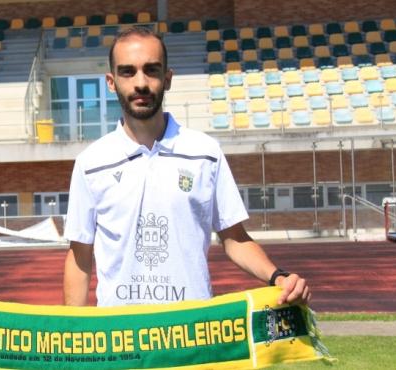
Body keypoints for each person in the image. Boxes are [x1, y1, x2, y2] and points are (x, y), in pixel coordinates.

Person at [63, 26, 309, 307]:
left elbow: (235, 239)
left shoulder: (205, 153)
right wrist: (73, 335)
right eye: (128, 72)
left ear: (167, 79)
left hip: (191, 334)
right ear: (111, 81)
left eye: (152, 70)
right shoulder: (91, 162)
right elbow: (80, 255)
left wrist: (278, 277)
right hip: (122, 337)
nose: (140, 83)